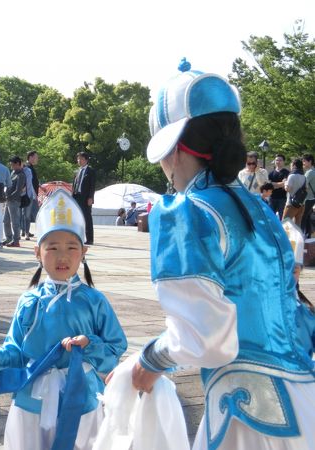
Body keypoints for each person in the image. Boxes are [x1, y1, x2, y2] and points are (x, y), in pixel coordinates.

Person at [130, 60, 315, 449]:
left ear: (175, 150)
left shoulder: (187, 211)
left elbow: (205, 340)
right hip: (301, 400)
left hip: (245, 416)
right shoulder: (260, 210)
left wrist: (148, 361)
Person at [0, 189, 127, 449]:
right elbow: (15, 353)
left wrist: (89, 344)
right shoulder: (29, 301)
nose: (62, 256)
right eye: (53, 247)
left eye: (71, 247)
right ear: (37, 252)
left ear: (84, 252)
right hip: (31, 400)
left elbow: (115, 348)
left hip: (80, 399)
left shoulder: (94, 300)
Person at [72, 152, 96, 245]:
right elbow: (74, 184)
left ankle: (90, 239)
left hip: (85, 197)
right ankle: (78, 236)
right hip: (76, 196)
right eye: (78, 159)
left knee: (87, 217)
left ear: (86, 160)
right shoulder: (77, 171)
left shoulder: (91, 171)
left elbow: (92, 186)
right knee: (77, 217)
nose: (79, 161)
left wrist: (91, 197)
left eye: (81, 159)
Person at [3, 155, 26, 248]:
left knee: (15, 221)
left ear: (17, 164)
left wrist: (9, 197)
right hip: (8, 200)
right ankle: (9, 238)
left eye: (12, 164)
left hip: (14, 201)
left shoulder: (21, 175)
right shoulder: (13, 173)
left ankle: (16, 240)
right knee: (6, 221)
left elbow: (18, 190)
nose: (11, 166)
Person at [283, 158, 307, 225]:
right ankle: (298, 236)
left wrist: (285, 182)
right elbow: (306, 188)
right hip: (301, 204)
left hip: (291, 204)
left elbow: (288, 189)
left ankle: (287, 236)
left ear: (294, 165)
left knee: (285, 223)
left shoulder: (292, 176)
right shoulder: (304, 176)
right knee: (297, 224)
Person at [21, 150, 39, 240]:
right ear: (31, 157)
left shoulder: (30, 167)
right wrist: (35, 194)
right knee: (32, 214)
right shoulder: (27, 167)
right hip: (30, 194)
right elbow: (29, 183)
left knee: (27, 214)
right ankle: (25, 232)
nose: (37, 159)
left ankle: (24, 231)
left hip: (32, 194)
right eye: (36, 157)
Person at [268, 154, 290, 219]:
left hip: (282, 198)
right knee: (271, 217)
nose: (278, 162)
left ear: (284, 161)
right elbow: (269, 185)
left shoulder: (287, 173)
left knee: (282, 217)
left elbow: (285, 183)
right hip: (272, 197)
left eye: (280, 160)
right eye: (276, 160)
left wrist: (273, 184)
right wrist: (280, 184)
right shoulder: (271, 173)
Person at [301, 154, 315, 237]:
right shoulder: (313, 171)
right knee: (308, 218)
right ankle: (308, 235)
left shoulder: (309, 172)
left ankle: (303, 235)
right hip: (312, 197)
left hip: (308, 198)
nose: (303, 163)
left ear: (310, 161)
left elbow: (303, 185)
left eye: (304, 161)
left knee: (303, 218)